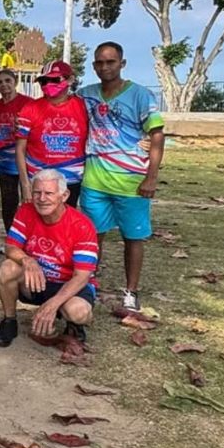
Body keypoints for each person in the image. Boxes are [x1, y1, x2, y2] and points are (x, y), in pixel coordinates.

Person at [79, 42, 165, 312]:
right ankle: (88, 284)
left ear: (122, 63)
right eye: (100, 62)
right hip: (94, 181)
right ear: (94, 66)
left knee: (133, 237)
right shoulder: (85, 95)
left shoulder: (141, 95)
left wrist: (151, 177)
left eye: (111, 62)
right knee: (93, 236)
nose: (105, 67)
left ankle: (131, 291)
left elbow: (157, 136)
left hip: (131, 182)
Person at [0, 169, 100, 347]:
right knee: (8, 268)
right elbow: (11, 247)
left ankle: (73, 324)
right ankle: (9, 321)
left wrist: (53, 304)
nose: (42, 199)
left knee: (78, 312)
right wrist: (27, 260)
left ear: (64, 196)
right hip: (36, 280)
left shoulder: (82, 226)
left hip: (68, 283)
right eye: (37, 193)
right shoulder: (26, 211)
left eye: (48, 193)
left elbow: (82, 276)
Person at [16, 60, 88, 206]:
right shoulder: (30, 109)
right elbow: (20, 149)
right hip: (38, 181)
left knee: (66, 219)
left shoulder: (84, 106)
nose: (48, 84)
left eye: (55, 80)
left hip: (72, 180)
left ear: (70, 80)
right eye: (43, 81)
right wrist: (25, 184)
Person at [0, 69, 32, 233]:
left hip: (27, 162)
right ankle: (11, 237)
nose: (4, 85)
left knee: (30, 201)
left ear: (15, 82)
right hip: (5, 164)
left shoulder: (29, 104)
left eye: (8, 80)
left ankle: (30, 236)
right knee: (9, 203)